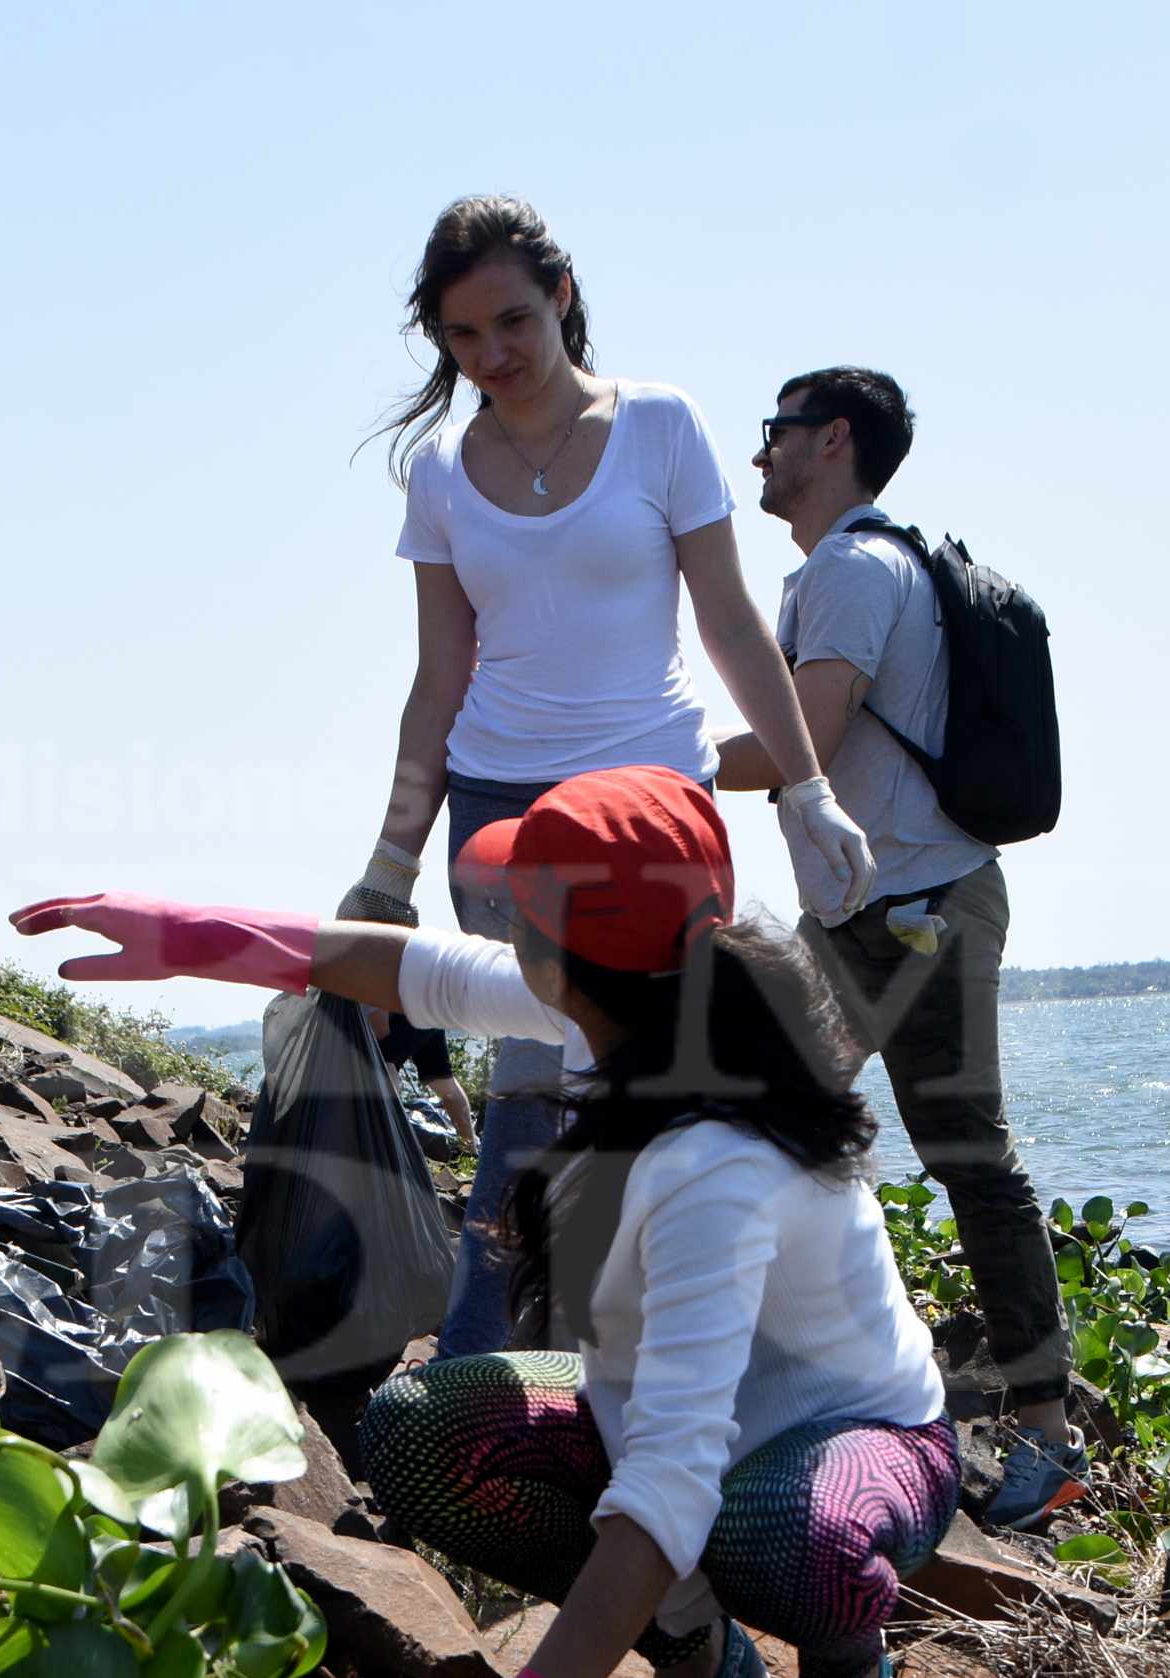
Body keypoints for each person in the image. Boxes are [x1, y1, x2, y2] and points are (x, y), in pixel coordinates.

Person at [17, 766, 954, 1678]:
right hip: (674, 1428)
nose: (505, 931)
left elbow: (668, 1479)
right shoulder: (633, 996)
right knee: (422, 1432)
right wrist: (185, 932)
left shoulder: (712, 1167)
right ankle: (700, 1654)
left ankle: (842, 1676)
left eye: (522, 914)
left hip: (854, 1448)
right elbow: (408, 970)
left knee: (786, 1533)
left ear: (567, 956)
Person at [340, 196, 881, 1362]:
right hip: (507, 820)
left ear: (563, 298)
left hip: (659, 818)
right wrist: (389, 860)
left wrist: (803, 788)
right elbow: (438, 680)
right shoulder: (438, 470)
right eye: (461, 335)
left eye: (512, 320)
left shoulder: (660, 426)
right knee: (531, 1094)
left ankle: (706, 1368)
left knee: (691, 1088)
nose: (492, 354)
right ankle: (484, 1385)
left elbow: (732, 623)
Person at [716, 368, 1082, 1528]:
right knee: (772, 1135)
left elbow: (799, 744)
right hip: (858, 916)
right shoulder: (845, 573)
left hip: (918, 909)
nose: (759, 452)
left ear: (831, 441)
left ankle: (1044, 1433)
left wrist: (648, 759)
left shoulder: (854, 572)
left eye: (774, 432)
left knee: (964, 1157)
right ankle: (804, 1397)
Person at [382, 1011, 480, 1153]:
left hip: (403, 1011)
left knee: (382, 1065)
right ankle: (471, 1151)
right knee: (446, 1086)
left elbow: (379, 1026)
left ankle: (390, 1150)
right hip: (431, 1011)